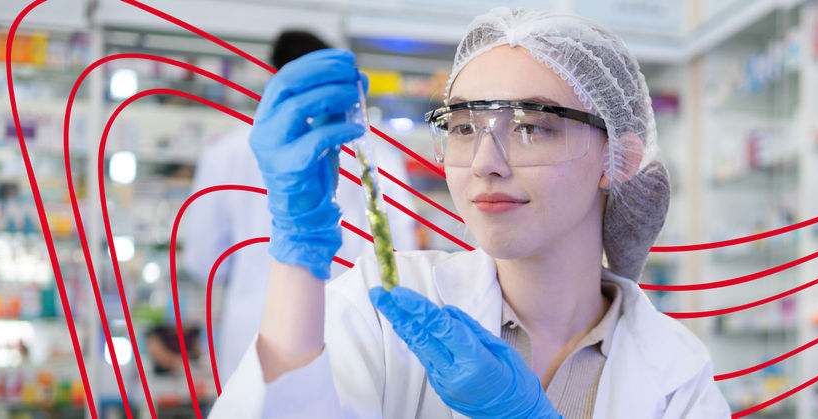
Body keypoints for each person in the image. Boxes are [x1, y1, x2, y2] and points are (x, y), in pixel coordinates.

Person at [210, 8, 729, 418]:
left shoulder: (677, 374)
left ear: (620, 157)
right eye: (462, 127)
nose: (485, 163)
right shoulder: (384, 308)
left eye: (532, 126)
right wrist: (297, 255)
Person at [183, 29, 417, 385]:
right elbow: (401, 257)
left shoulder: (227, 153)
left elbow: (201, 259)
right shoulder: (379, 156)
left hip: (258, 330)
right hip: (358, 332)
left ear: (273, 76)